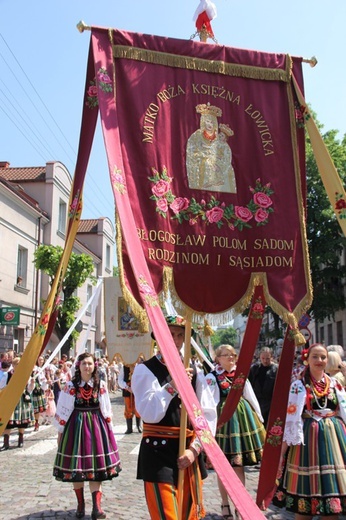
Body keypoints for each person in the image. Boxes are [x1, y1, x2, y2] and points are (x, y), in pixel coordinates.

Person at [131, 315, 217, 520]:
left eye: (180, 335)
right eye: (170, 334)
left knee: (189, 515)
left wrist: (195, 450)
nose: (176, 340)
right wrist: (173, 387)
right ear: (159, 338)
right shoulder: (146, 369)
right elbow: (148, 412)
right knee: (167, 515)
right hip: (157, 452)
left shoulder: (195, 370)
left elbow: (207, 414)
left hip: (187, 451)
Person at [273, 343, 346, 518]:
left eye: (323, 357)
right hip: (306, 442)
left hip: (334, 440)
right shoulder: (298, 385)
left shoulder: (335, 384)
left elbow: (344, 410)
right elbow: (291, 419)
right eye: (315, 356)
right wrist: (282, 453)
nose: (319, 360)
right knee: (303, 505)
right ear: (307, 359)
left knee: (332, 504)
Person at [53, 352, 122, 519]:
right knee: (77, 467)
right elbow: (63, 409)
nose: (87, 367)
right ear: (79, 366)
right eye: (84, 363)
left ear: (94, 366)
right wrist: (60, 432)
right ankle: (80, 504)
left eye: (90, 364)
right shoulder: (71, 385)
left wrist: (110, 429)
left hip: (97, 427)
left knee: (95, 466)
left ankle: (97, 507)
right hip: (76, 427)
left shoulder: (101, 384)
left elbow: (106, 408)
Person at [206, 344, 265, 520]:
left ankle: (241, 503)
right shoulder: (212, 377)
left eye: (232, 355)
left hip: (243, 421)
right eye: (226, 355)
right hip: (223, 423)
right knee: (223, 467)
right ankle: (225, 503)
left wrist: (260, 419)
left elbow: (250, 397)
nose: (230, 358)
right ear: (218, 358)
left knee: (240, 465)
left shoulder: (241, 376)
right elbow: (209, 402)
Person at [0, 357, 35, 450]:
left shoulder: (26, 375)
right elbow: (2, 386)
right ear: (13, 365)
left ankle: (20, 440)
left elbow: (29, 389)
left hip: (22, 400)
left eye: (20, 364)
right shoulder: (8, 375)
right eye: (16, 364)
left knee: (22, 421)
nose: (18, 366)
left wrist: (32, 383)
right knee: (8, 421)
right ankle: (6, 443)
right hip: (10, 399)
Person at [248, 346, 278, 426]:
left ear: (272, 357)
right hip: (257, 401)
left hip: (270, 402)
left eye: (267, 358)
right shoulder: (254, 369)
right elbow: (249, 383)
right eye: (263, 358)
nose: (265, 361)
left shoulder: (276, 369)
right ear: (260, 357)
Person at [118, 357, 142, 434]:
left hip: (138, 390)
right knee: (128, 408)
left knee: (138, 407)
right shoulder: (124, 367)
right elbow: (120, 380)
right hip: (127, 390)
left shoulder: (140, 366)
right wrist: (127, 387)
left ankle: (139, 426)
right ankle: (129, 428)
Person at [31, 355, 48, 431]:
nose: (40, 361)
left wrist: (46, 383)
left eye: (42, 360)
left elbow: (43, 380)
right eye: (39, 360)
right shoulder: (27, 369)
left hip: (36, 390)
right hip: (28, 390)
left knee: (36, 408)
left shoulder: (39, 369)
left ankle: (36, 423)